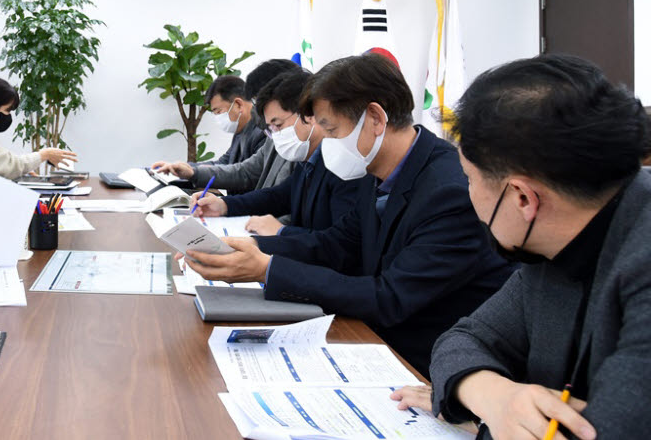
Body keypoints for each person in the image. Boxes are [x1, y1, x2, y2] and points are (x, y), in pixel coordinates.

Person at [184, 53, 514, 375]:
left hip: (424, 365)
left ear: (375, 118)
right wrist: (242, 248)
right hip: (374, 341)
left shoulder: (448, 190)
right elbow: (337, 244)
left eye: (330, 129)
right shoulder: (375, 171)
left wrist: (267, 270)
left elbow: (390, 297)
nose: (324, 141)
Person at [422, 54, 651, 440]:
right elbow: (462, 339)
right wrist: (491, 395)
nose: (468, 194)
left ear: (523, 198)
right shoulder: (558, 236)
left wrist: (480, 419)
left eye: (469, 179)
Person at [192, 68, 360, 236]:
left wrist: (281, 231)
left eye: (278, 125)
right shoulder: (309, 159)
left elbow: (341, 244)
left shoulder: (342, 165)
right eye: (271, 128)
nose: (275, 135)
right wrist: (224, 205)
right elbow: (279, 196)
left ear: (308, 115)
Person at [152, 60, 300, 195]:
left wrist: (226, 204)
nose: (261, 113)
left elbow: (254, 182)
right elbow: (236, 167)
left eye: (218, 111)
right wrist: (190, 170)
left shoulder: (267, 133)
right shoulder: (253, 132)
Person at [0, 77, 77, 179]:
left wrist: (22, 171)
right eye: (7, 110)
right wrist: (44, 155)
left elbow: (2, 161)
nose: (8, 116)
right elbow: (6, 166)